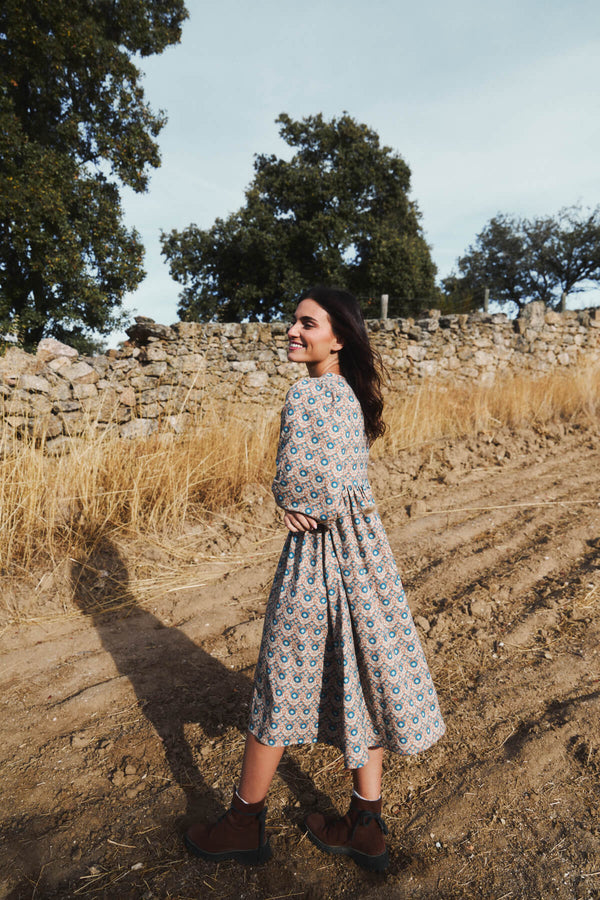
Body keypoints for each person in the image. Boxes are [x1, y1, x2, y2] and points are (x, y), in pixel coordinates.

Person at [185, 286, 445, 871]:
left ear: (340, 335)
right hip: (364, 556)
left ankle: (241, 824)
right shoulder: (349, 396)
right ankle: (364, 823)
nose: (293, 332)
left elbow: (311, 493)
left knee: (281, 676)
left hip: (317, 558)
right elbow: (344, 481)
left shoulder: (307, 396)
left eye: (308, 323)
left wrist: (285, 497)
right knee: (361, 672)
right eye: (292, 322)